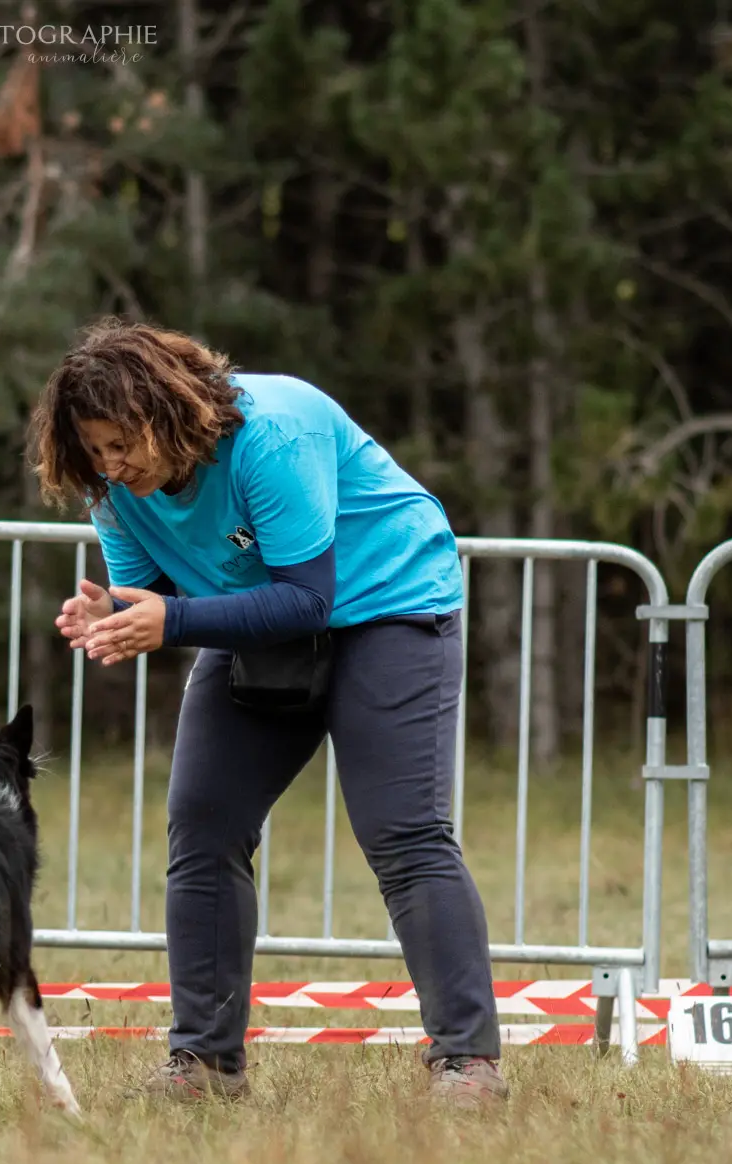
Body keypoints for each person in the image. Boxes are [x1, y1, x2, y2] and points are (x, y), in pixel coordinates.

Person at [26, 317, 506, 1108]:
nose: (113, 466)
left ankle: (467, 1062)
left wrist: (170, 622)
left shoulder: (270, 435)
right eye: (96, 451)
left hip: (387, 602)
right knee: (202, 821)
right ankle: (206, 1065)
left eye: (123, 443)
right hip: (267, 609)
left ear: (166, 408)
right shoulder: (111, 491)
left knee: (403, 831)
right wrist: (112, 612)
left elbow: (306, 599)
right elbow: (166, 599)